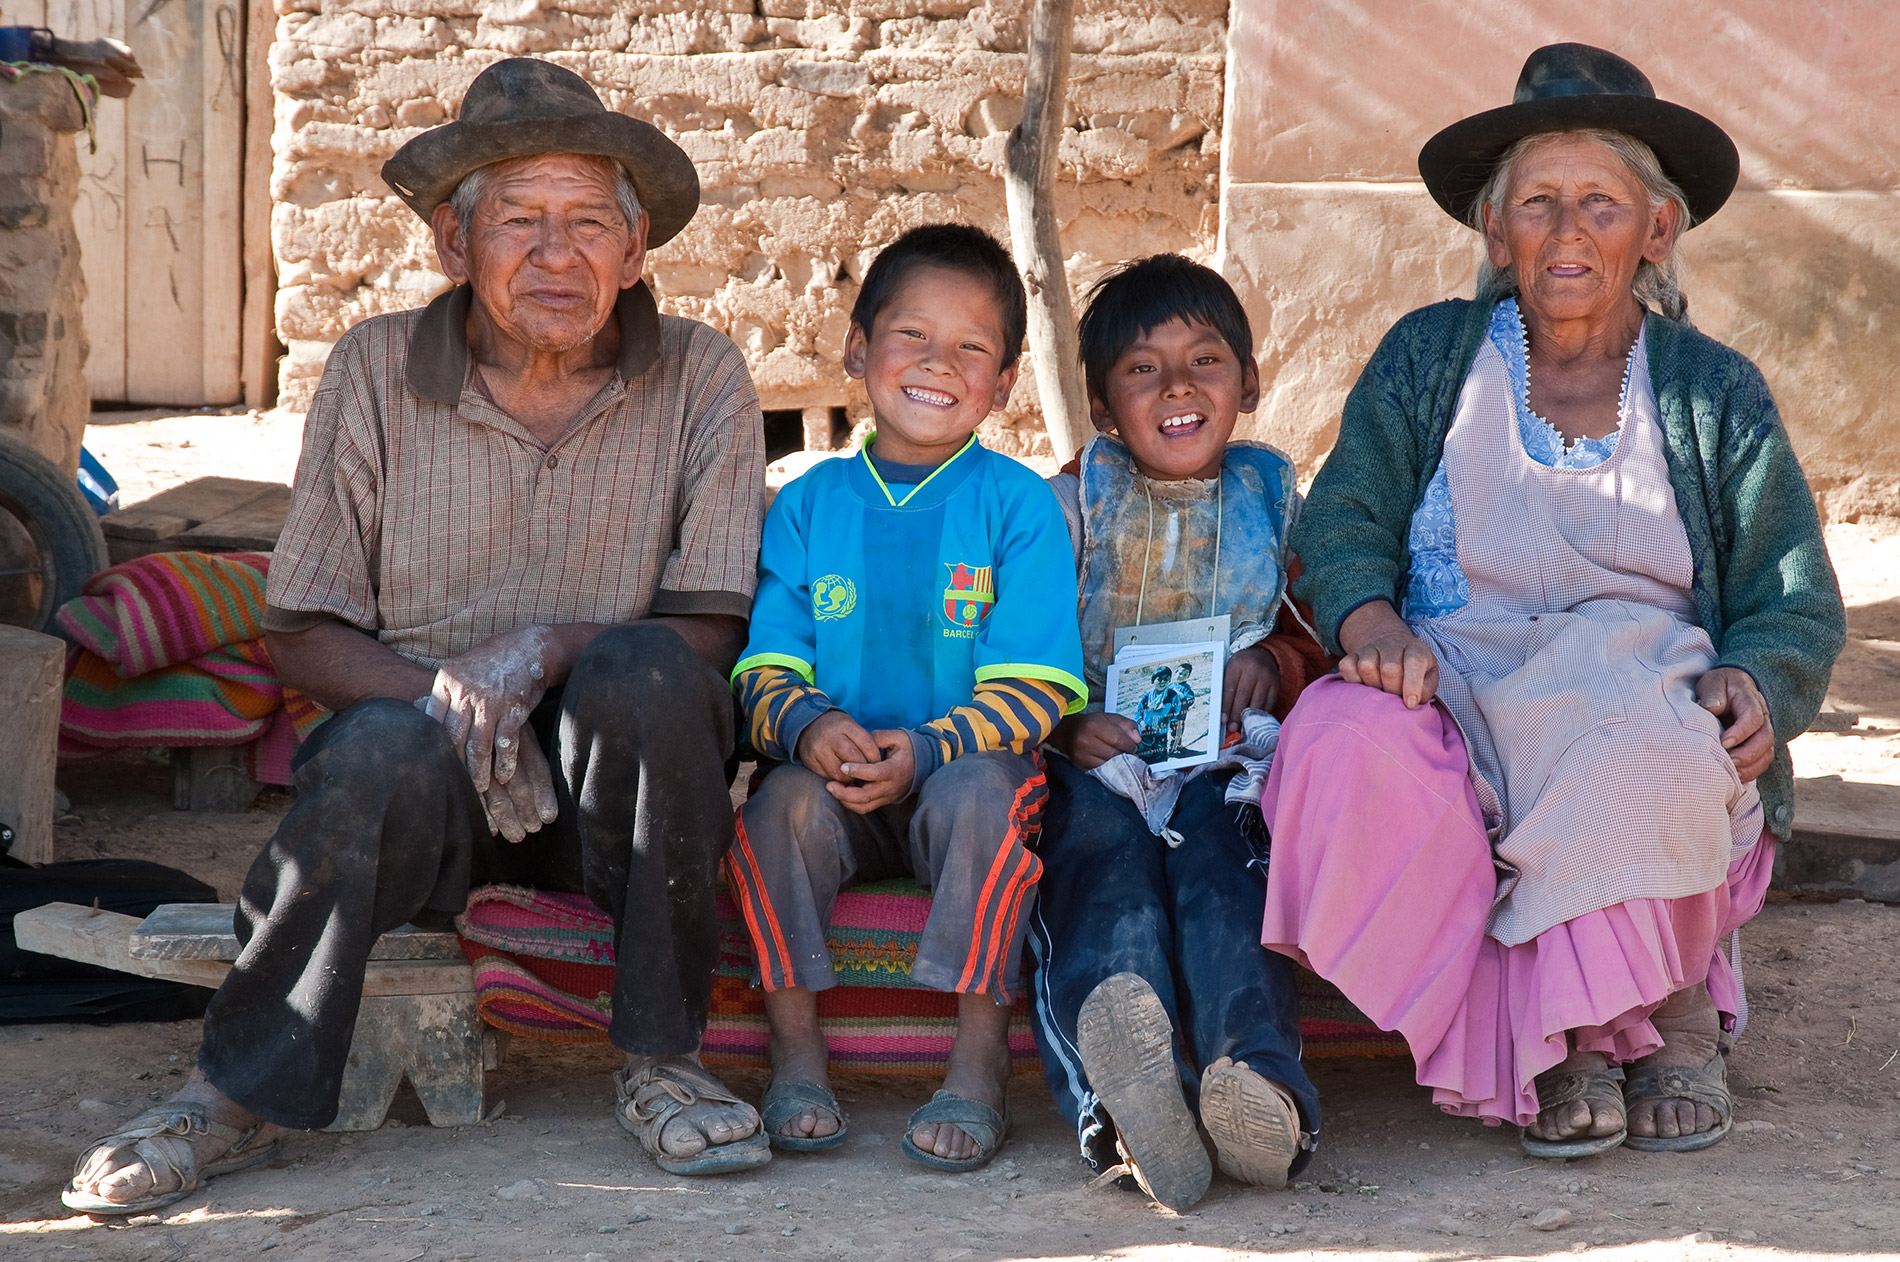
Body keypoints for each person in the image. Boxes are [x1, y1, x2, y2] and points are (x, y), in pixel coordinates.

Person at [64, 58, 772, 1214]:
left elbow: (710, 632)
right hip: (427, 801)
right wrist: (458, 696)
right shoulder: (376, 369)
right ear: (452, 241)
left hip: (612, 803)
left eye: (590, 220)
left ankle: (660, 1060)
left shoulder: (702, 375)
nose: (558, 254)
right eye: (520, 221)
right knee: (375, 747)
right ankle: (225, 1095)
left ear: (636, 251)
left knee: (646, 668)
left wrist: (541, 649)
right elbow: (298, 633)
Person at [1261, 44, 1845, 1157]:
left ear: (1657, 231)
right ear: (1495, 231)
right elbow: (1340, 519)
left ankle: (1656, 1024)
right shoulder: (1428, 356)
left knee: (1642, 745)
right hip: (1457, 674)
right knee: (1337, 740)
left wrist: (1757, 676)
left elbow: (1790, 592)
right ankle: (1554, 1026)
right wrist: (1367, 622)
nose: (1566, 232)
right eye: (1537, 203)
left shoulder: (1712, 387)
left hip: (1639, 676)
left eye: (1599, 205)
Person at [726, 224, 1086, 1172]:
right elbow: (761, 670)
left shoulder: (1018, 507)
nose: (939, 363)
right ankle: (796, 1050)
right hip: (835, 778)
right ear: (856, 349)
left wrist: (924, 752)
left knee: (986, 799)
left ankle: (976, 1063)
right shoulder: (805, 504)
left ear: (1004, 383)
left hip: (956, 774)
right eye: (911, 335)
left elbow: (1037, 687)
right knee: (775, 812)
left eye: (972, 346)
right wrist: (807, 728)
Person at [1029, 255, 1328, 1210]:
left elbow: (1320, 629)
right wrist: (1065, 724)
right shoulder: (1069, 504)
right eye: (1144, 369)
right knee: (1102, 878)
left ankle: (1260, 1086)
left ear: (1250, 379)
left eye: (1206, 361)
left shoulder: (1273, 500)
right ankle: (1123, 1107)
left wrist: (1274, 667)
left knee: (1226, 885)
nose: (1179, 387)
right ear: (1104, 406)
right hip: (1097, 768)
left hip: (1220, 768)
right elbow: (1011, 641)